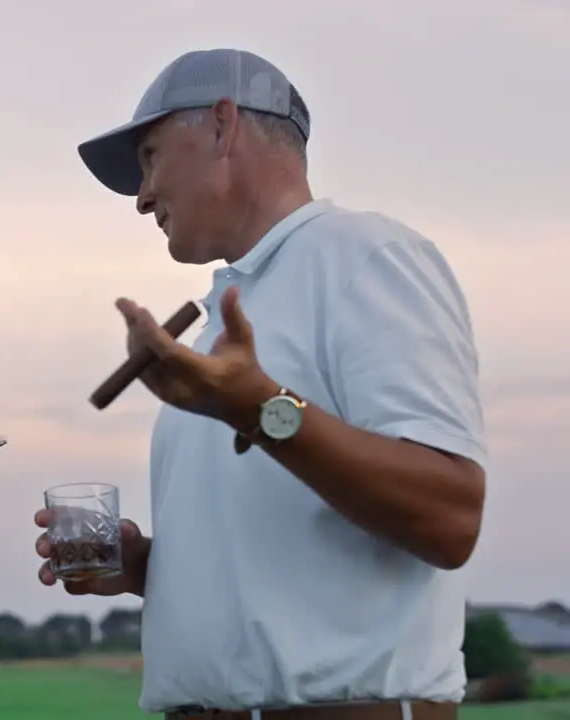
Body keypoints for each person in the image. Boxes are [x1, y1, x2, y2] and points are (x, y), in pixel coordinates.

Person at [34, 49, 486, 719]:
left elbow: (451, 518)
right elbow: (283, 552)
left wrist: (259, 408)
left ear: (223, 126)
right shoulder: (227, 312)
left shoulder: (367, 257)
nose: (143, 197)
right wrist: (152, 568)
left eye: (152, 155)